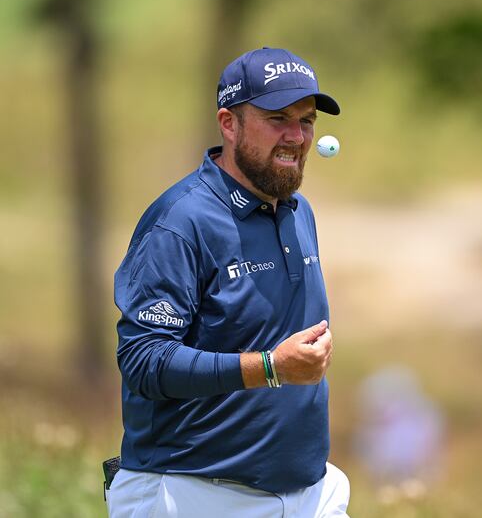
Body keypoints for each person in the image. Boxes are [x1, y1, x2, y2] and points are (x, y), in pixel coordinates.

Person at [106, 46, 349, 517]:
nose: (296, 136)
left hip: (306, 493)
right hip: (191, 492)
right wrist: (271, 367)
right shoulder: (182, 221)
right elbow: (143, 360)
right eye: (278, 118)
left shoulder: (299, 214)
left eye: (306, 120)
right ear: (229, 123)